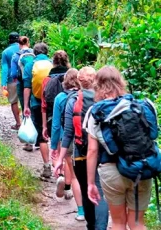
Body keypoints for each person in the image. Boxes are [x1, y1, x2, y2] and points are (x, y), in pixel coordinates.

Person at [87, 66, 157, 230]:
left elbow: (92, 151)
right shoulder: (138, 107)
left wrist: (91, 183)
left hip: (112, 172)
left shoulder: (97, 111)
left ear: (97, 85)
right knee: (137, 223)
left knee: (118, 222)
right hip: (142, 167)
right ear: (120, 82)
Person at [53, 67, 109, 230]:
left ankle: (91, 225)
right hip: (101, 152)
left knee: (85, 190)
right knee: (99, 189)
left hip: (80, 154)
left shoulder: (73, 101)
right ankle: (101, 227)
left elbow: (68, 133)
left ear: (79, 81)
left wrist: (59, 159)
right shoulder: (103, 100)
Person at [50, 68, 85, 221]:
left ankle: (81, 210)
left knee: (72, 168)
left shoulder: (60, 97)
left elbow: (56, 125)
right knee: (89, 175)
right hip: (87, 140)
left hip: (68, 139)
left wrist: (53, 146)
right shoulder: (86, 95)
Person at [23, 43, 52, 177]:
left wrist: (26, 106)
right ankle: (62, 170)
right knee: (57, 136)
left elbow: (27, 87)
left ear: (34, 53)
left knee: (42, 136)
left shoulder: (30, 65)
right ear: (46, 52)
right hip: (53, 104)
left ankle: (47, 167)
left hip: (36, 103)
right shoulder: (53, 64)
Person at [11, 36, 35, 151]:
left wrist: (16, 80)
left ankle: (28, 143)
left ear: (18, 44)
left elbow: (13, 74)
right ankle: (39, 139)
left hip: (22, 84)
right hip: (35, 83)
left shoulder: (16, 55)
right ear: (28, 42)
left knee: (26, 108)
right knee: (35, 108)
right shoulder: (34, 53)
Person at [1, 32, 21, 130]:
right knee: (26, 103)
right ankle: (28, 123)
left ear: (9, 40)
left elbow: (5, 68)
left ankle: (18, 123)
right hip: (25, 80)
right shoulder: (25, 49)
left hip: (11, 80)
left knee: (14, 102)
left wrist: (3, 83)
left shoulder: (6, 52)